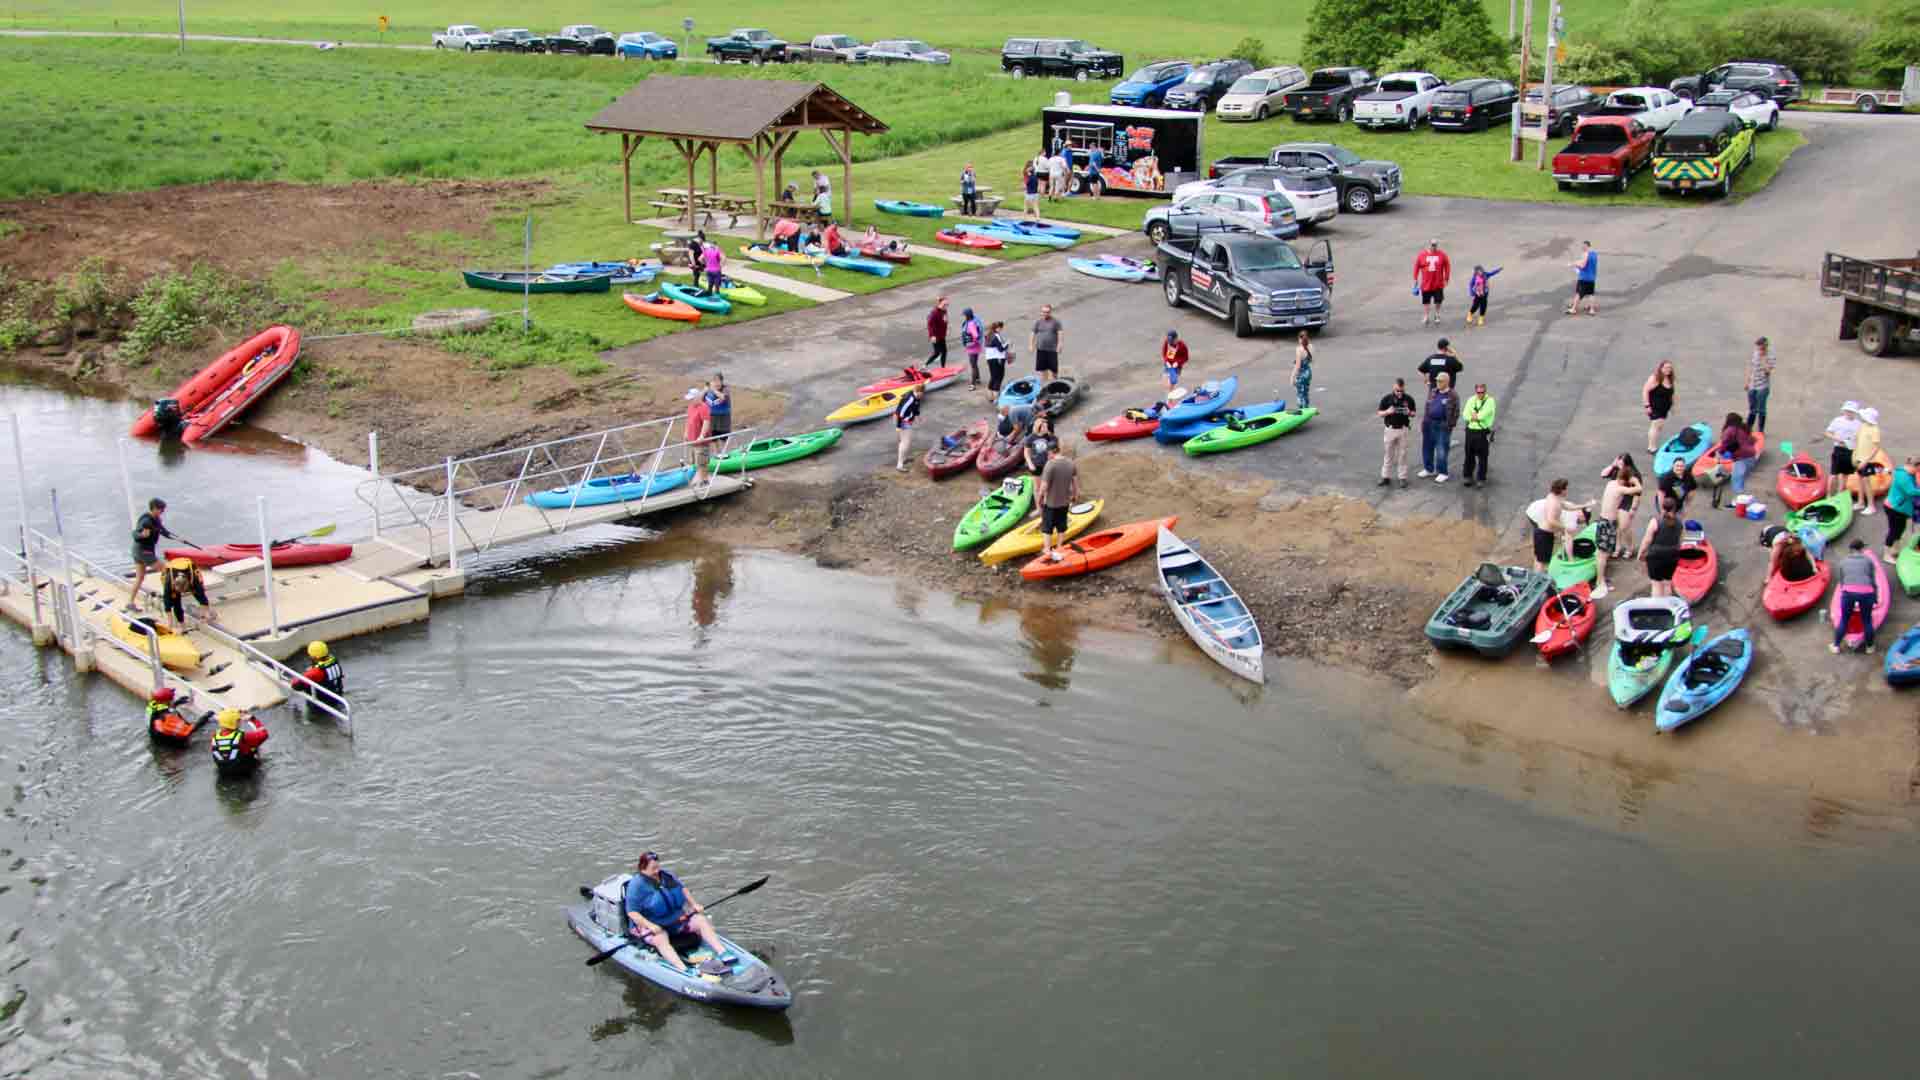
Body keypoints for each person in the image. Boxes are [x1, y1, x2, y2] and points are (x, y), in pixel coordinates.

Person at [623, 851, 732, 976]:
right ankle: (683, 970)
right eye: (653, 868)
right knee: (660, 938)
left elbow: (683, 889)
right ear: (643, 868)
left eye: (658, 866)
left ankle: (723, 952)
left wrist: (694, 904)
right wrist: (650, 926)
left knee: (701, 920)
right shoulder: (635, 886)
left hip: (676, 920)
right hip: (653, 925)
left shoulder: (666, 876)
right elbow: (632, 912)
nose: (657, 871)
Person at [1595, 457, 1642, 599]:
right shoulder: (1620, 489)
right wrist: (1635, 481)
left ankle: (1600, 578)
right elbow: (1639, 489)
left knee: (1601, 553)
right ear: (1625, 480)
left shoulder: (1611, 484)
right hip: (1608, 524)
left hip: (1603, 521)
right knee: (1603, 555)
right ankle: (1600, 581)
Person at [1526, 479, 1592, 572]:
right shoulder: (1554, 503)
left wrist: (1584, 505)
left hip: (1543, 532)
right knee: (1542, 561)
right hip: (1544, 533)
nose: (1567, 491)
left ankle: (1538, 575)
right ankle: (1538, 578)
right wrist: (1564, 528)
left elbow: (1567, 507)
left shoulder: (1554, 497)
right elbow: (1551, 520)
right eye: (1566, 489)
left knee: (1540, 558)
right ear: (1561, 490)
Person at [1833, 539, 1880, 654]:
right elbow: (1873, 581)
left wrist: (1846, 593)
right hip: (1866, 593)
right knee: (1867, 620)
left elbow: (1841, 581)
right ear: (1861, 549)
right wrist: (1875, 597)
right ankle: (1869, 647)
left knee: (1844, 620)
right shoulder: (1868, 561)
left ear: (1851, 549)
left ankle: (1836, 646)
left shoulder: (1843, 561)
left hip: (1848, 593)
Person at [128, 497, 175, 610]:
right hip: (143, 552)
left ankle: (130, 603)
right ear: (154, 508)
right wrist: (142, 535)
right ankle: (168, 597)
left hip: (138, 551)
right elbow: (135, 534)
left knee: (140, 578)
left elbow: (162, 530)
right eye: (161, 510)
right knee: (167, 571)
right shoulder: (146, 521)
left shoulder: (156, 518)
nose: (162, 512)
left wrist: (174, 536)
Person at [1038, 442, 1079, 562]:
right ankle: (1060, 546)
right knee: (1062, 524)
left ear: (1050, 452)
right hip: (1065, 501)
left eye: (1048, 453)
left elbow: (1044, 486)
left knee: (1047, 526)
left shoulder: (1050, 465)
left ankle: (1047, 548)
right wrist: (1075, 495)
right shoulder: (1071, 463)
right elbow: (1075, 483)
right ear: (1059, 450)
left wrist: (1040, 498)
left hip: (1051, 503)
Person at [1638, 496, 1685, 599]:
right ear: (1675, 508)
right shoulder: (1680, 523)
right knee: (1667, 583)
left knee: (1656, 584)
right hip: (1672, 556)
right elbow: (1680, 541)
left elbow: (1647, 540)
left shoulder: (1655, 522)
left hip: (1656, 556)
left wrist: (1641, 553)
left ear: (1662, 507)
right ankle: (1668, 607)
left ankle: (1657, 609)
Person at [1377, 377, 1417, 487]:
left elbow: (1414, 413)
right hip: (1390, 429)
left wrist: (1409, 412)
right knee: (1388, 454)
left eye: (1402, 391)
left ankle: (1402, 477)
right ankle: (1385, 477)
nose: (1399, 393)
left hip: (1403, 429)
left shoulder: (1409, 399)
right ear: (1393, 388)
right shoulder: (1387, 399)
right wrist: (1387, 411)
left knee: (1403, 454)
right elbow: (1379, 413)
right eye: (1397, 391)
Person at [1420, 372, 1459, 483]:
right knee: (1427, 447)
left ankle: (1442, 472)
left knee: (1441, 449)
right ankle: (1429, 469)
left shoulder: (1452, 395)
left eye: (1440, 381)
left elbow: (1456, 412)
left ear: (1447, 382)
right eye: (1437, 380)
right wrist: (1424, 421)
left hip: (1442, 425)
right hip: (1429, 423)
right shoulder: (1433, 392)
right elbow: (1427, 406)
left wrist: (1449, 425)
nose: (1438, 382)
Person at [160, 556, 214, 633]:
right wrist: (170, 624)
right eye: (179, 591)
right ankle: (182, 626)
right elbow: (167, 607)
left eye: (183, 591)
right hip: (172, 572)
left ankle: (206, 614)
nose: (182, 593)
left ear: (188, 585)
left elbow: (202, 597)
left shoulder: (193, 579)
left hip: (188, 570)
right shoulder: (169, 583)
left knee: (200, 594)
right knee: (176, 604)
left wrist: (205, 615)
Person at [1821, 401, 1862, 500]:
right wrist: (1837, 438)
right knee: (1833, 474)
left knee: (1845, 475)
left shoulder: (1858, 424)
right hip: (1839, 449)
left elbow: (1860, 438)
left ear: (1855, 412)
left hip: (1851, 451)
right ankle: (1828, 495)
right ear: (1844, 411)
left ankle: (1839, 494)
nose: (1848, 413)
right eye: (1847, 411)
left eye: (1851, 411)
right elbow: (1827, 432)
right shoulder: (1837, 420)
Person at [208, 708, 268, 774]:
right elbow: (264, 734)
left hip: (224, 774)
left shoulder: (214, 737)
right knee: (254, 747)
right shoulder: (244, 736)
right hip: (246, 773)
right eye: (238, 720)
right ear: (234, 722)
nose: (240, 721)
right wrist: (253, 719)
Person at [1461, 382, 1496, 489]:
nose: (1480, 394)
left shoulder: (1490, 401)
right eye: (1478, 392)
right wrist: (1473, 417)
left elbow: (1484, 414)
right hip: (1471, 431)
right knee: (1469, 455)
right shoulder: (1471, 400)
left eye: (1482, 392)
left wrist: (1475, 416)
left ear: (1485, 391)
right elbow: (1465, 415)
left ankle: (1481, 478)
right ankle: (1467, 476)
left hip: (1482, 431)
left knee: (1482, 456)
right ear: (1475, 391)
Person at [1853, 406, 1884, 514]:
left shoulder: (1875, 430)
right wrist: (1855, 455)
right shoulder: (1863, 426)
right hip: (1859, 458)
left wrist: (1866, 461)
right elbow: (1858, 441)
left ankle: (1871, 506)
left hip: (1867, 460)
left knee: (1866, 482)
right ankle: (1861, 502)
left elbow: (1876, 448)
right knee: (1860, 480)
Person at [1412, 239, 1451, 325]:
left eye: (1435, 245)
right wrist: (1415, 279)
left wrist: (1446, 278)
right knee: (1426, 301)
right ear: (1429, 245)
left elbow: (1447, 265)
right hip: (1426, 283)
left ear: (1437, 245)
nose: (1434, 247)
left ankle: (1437, 315)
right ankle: (1426, 316)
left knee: (1438, 300)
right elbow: (1416, 266)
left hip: (1438, 283)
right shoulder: (1422, 255)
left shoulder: (1442, 255)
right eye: (1432, 245)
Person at [1643, 360, 1676, 454]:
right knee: (1655, 425)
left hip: (1664, 408)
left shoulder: (1669, 379)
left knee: (1659, 426)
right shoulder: (1655, 378)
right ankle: (1651, 447)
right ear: (1661, 368)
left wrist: (1672, 406)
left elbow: (1671, 394)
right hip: (1655, 407)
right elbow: (1645, 391)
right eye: (1666, 367)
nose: (1668, 369)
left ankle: (1653, 444)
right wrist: (1647, 406)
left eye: (1670, 368)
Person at [1745, 336, 1774, 433]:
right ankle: (1748, 429)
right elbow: (1752, 368)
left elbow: (1767, 372)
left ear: (1765, 346)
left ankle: (1760, 430)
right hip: (1753, 384)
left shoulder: (1770, 356)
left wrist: (1763, 358)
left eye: (1760, 347)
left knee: (1761, 409)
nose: (1758, 349)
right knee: (1752, 408)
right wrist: (1748, 382)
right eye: (1757, 347)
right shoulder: (1755, 353)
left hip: (1763, 386)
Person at [893, 380, 921, 473]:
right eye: (919, 394)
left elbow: (916, 406)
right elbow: (900, 413)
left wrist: (917, 415)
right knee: (905, 442)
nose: (920, 396)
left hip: (907, 420)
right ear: (916, 391)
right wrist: (898, 426)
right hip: (902, 421)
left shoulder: (917, 396)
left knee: (905, 441)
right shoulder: (909, 399)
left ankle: (903, 459)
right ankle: (900, 465)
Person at [683, 388, 712, 479]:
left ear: (697, 397)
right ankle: (699, 478)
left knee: (701, 462)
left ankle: (704, 480)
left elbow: (706, 422)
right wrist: (686, 432)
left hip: (701, 441)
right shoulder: (691, 407)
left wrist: (702, 435)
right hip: (692, 439)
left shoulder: (704, 407)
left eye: (692, 399)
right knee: (694, 460)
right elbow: (689, 420)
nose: (690, 401)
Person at [1567, 240, 1598, 316]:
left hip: (1584, 278)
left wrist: (1574, 264)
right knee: (1590, 294)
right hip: (1591, 277)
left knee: (1579, 293)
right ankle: (1591, 309)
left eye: (1583, 246)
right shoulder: (1594, 254)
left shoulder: (1585, 254)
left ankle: (1573, 309)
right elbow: (1585, 262)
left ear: (1587, 246)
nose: (1582, 247)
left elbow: (1583, 265)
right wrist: (1577, 262)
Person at [1031, 305, 1062, 376]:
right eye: (1044, 312)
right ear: (1041, 312)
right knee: (1043, 369)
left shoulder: (1056, 322)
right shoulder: (1038, 322)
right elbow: (1033, 332)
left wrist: (1059, 345)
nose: (1045, 313)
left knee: (1054, 369)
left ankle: (1055, 383)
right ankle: (1045, 384)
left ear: (1050, 312)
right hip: (1041, 349)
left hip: (1052, 350)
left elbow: (1060, 333)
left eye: (1047, 312)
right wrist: (1031, 345)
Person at [703, 374, 731, 447]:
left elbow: (723, 397)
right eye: (715, 381)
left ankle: (724, 454)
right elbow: (699, 400)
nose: (717, 383)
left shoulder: (725, 389)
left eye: (719, 381)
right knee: (713, 438)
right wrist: (704, 390)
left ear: (722, 382)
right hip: (711, 417)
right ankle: (716, 454)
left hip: (723, 418)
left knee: (723, 437)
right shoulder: (708, 391)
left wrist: (713, 390)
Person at [960, 308, 984, 390]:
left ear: (967, 315)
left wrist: (972, 343)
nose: (964, 317)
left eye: (964, 315)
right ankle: (977, 378)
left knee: (973, 365)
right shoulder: (975, 320)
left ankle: (973, 384)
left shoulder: (970, 324)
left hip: (973, 348)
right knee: (975, 363)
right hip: (976, 347)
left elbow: (976, 336)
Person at [983, 320, 1010, 393]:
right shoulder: (996, 336)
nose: (1001, 330)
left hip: (989, 358)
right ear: (998, 328)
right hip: (997, 359)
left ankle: (990, 395)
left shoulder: (988, 335)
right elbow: (1001, 349)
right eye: (1001, 328)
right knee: (999, 377)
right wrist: (1007, 344)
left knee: (993, 377)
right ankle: (996, 397)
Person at [1290, 331, 1314, 409]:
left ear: (1300, 339)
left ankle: (1301, 410)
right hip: (1308, 372)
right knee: (1306, 393)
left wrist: (1292, 377)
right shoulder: (1311, 346)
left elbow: (1298, 366)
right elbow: (1311, 360)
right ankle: (1306, 408)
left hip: (1301, 374)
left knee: (1300, 393)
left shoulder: (1299, 349)